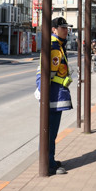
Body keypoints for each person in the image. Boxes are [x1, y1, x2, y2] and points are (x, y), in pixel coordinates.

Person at [36, 16, 72, 175]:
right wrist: (44, 94)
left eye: (66, 27)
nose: (66, 30)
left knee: (51, 131)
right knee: (49, 132)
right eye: (62, 27)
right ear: (54, 29)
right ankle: (48, 164)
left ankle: (49, 160)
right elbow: (46, 75)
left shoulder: (57, 45)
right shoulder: (54, 47)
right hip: (52, 96)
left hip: (54, 95)